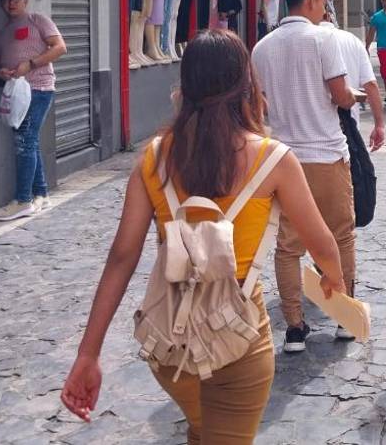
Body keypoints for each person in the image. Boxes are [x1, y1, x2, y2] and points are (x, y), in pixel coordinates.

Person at [60, 30, 346, 440]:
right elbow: (320, 242)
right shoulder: (273, 159)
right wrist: (333, 278)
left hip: (170, 343)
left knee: (203, 432)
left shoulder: (154, 158)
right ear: (246, 83)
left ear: (186, 85)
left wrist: (88, 354)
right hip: (239, 341)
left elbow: (121, 257)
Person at [251, 0, 358, 353]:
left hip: (282, 159)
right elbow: (342, 96)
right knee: (340, 235)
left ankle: (295, 328)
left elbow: (259, 105)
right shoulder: (324, 38)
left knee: (288, 247)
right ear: (313, 1)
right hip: (326, 153)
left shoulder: (262, 48)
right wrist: (354, 96)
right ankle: (345, 318)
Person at [0, 0, 67, 220]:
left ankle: (23, 200)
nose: (11, 3)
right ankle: (41, 194)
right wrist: (0, 71)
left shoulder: (38, 20)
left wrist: (31, 64)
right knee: (28, 140)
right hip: (15, 92)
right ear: (1, 4)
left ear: (25, 1)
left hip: (40, 87)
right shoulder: (0, 34)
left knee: (25, 138)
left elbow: (60, 47)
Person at [320, 4, 386, 154]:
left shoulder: (295, 41)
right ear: (330, 16)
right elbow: (370, 85)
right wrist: (379, 124)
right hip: (347, 127)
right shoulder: (352, 40)